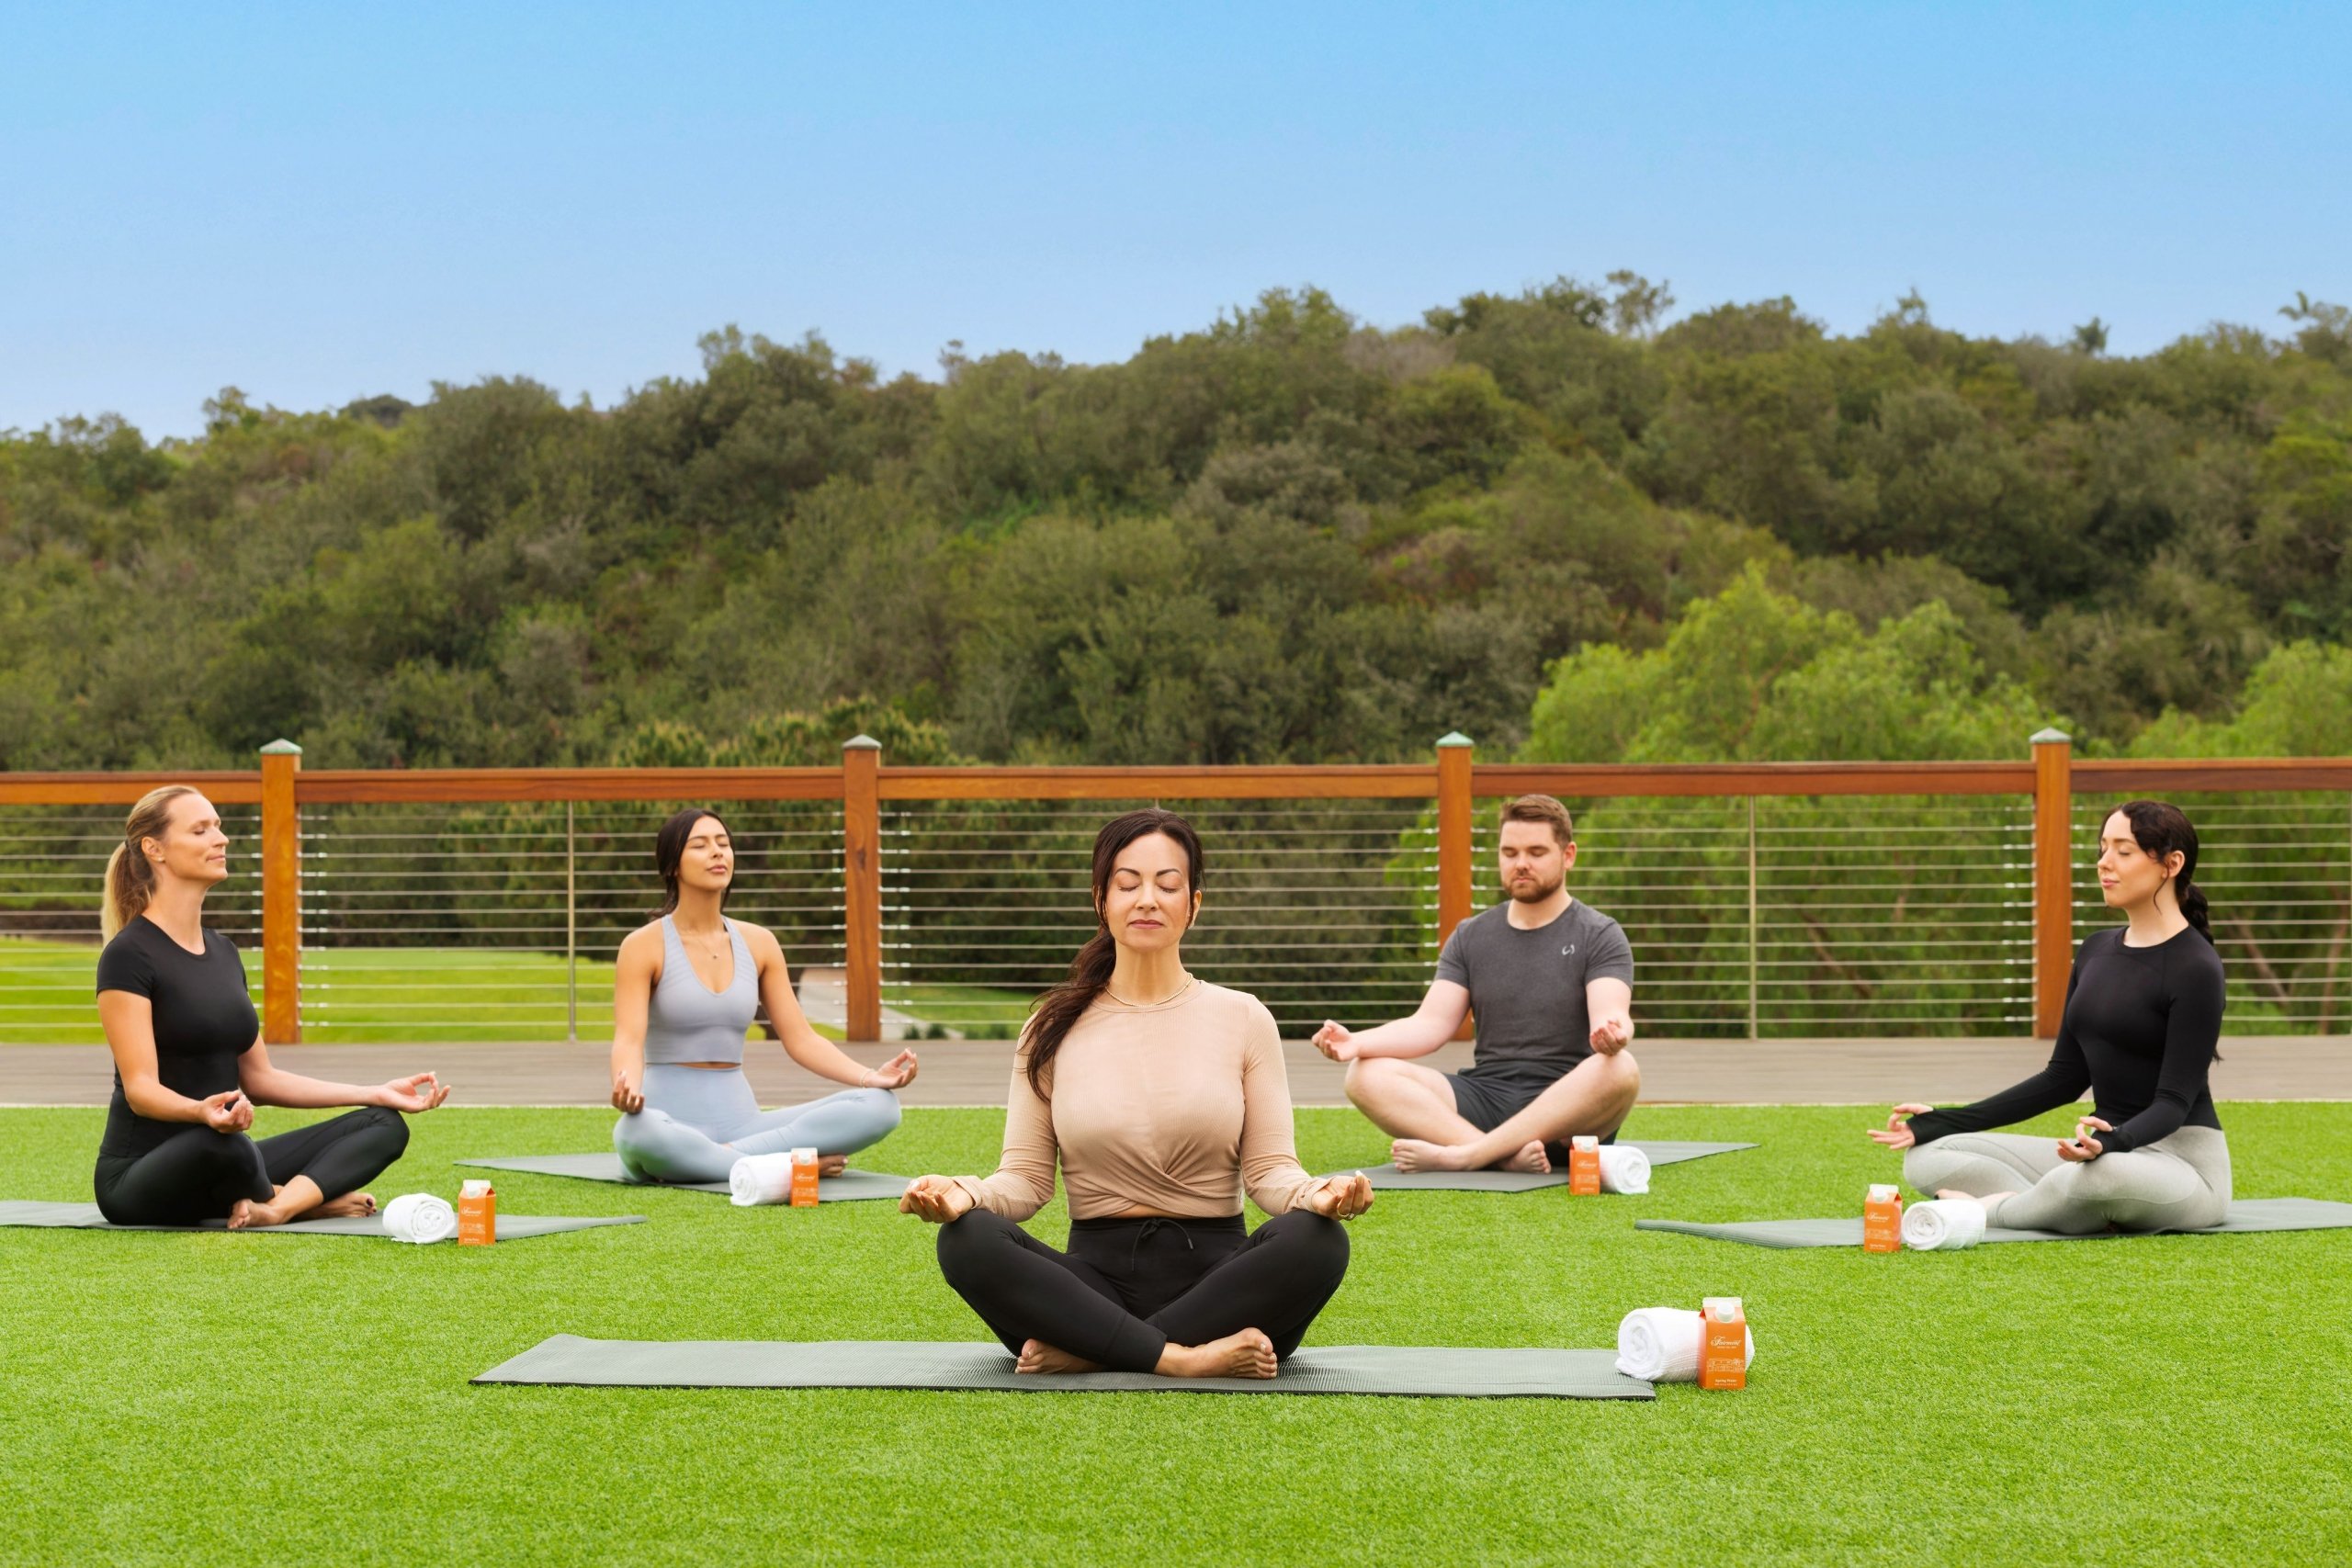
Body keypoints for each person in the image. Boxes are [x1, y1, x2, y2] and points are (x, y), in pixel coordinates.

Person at [899, 808, 1373, 1380]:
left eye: (1167, 885)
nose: (1147, 899)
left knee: (1316, 1241)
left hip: (1222, 1286)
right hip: (1091, 1286)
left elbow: (1271, 1172)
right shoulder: (1050, 1027)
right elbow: (1024, 1181)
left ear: (1194, 904)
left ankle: (1095, 1350)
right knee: (966, 1240)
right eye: (1128, 884)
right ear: (1102, 900)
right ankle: (1183, 1358)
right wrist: (963, 1194)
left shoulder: (1244, 1016)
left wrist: (1317, 1195)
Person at [94, 786, 451, 1229]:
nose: (220, 839)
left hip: (224, 1155)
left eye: (219, 827)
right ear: (155, 849)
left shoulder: (223, 953)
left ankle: (278, 1207)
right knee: (228, 1147)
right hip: (140, 1176)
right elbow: (140, 1089)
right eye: (201, 829)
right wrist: (201, 1112)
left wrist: (374, 1091)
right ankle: (305, 1200)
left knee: (383, 1124)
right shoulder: (129, 955)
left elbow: (260, 1079)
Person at [1871, 800, 2230, 1235]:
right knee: (1929, 1155)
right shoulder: (2097, 950)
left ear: (2171, 864)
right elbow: (2062, 1077)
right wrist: (1945, 1119)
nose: (2104, 863)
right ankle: (2047, 1202)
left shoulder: (2197, 967)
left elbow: (2173, 1104)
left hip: (2180, 1165)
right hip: (2100, 1151)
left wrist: (2113, 1142)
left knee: (2100, 1180)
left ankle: (1989, 1211)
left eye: (2124, 851)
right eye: (2102, 848)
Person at [1312, 794, 1638, 1173]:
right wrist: (1356, 1042)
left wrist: (1613, 1033)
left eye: (1536, 852)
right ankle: (1500, 1156)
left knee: (1622, 1068)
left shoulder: (1599, 934)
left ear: (1568, 855)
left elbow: (1613, 1014)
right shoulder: (1472, 935)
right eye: (1510, 852)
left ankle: (1467, 1156)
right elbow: (1430, 1025)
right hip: (1487, 1098)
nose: (1521, 864)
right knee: (1365, 1074)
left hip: (1568, 1113)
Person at [610, 807, 914, 1184]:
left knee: (881, 1107)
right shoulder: (642, 946)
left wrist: (869, 1077)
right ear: (673, 864)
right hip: (669, 1123)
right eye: (701, 845)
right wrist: (627, 1086)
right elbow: (628, 1037)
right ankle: (789, 1166)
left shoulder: (759, 942)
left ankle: (725, 1161)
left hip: (745, 1125)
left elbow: (800, 1038)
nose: (718, 852)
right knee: (635, 1133)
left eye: (724, 844)